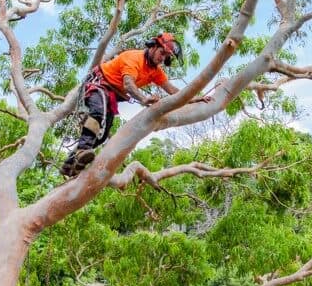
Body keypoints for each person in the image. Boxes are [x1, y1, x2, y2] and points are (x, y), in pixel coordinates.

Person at [60, 32, 210, 177]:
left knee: (102, 135)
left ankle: (70, 165)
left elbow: (172, 90)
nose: (162, 58)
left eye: (166, 57)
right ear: (153, 46)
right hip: (98, 83)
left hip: (111, 94)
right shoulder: (134, 58)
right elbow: (128, 84)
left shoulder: (156, 71)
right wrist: (144, 99)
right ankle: (82, 151)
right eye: (161, 53)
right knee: (98, 113)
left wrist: (195, 98)